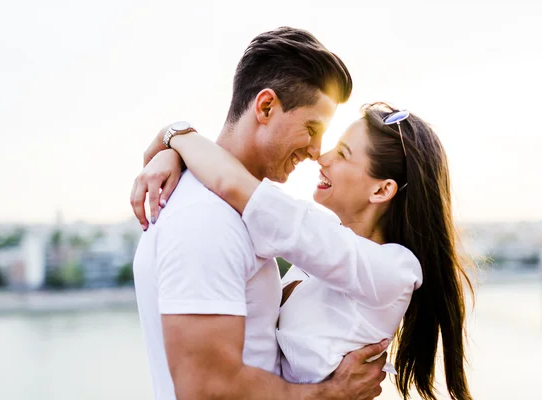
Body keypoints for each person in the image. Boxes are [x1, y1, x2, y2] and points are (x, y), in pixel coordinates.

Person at [133, 102, 474, 400]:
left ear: (382, 190)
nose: (321, 157)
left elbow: (233, 185)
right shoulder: (313, 261)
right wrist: (172, 149)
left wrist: (175, 135)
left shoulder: (393, 271)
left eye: (342, 154)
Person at [131, 27, 389, 400]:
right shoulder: (207, 220)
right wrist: (331, 393)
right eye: (312, 129)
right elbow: (206, 388)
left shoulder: (225, 208)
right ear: (266, 107)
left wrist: (175, 138)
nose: (317, 151)